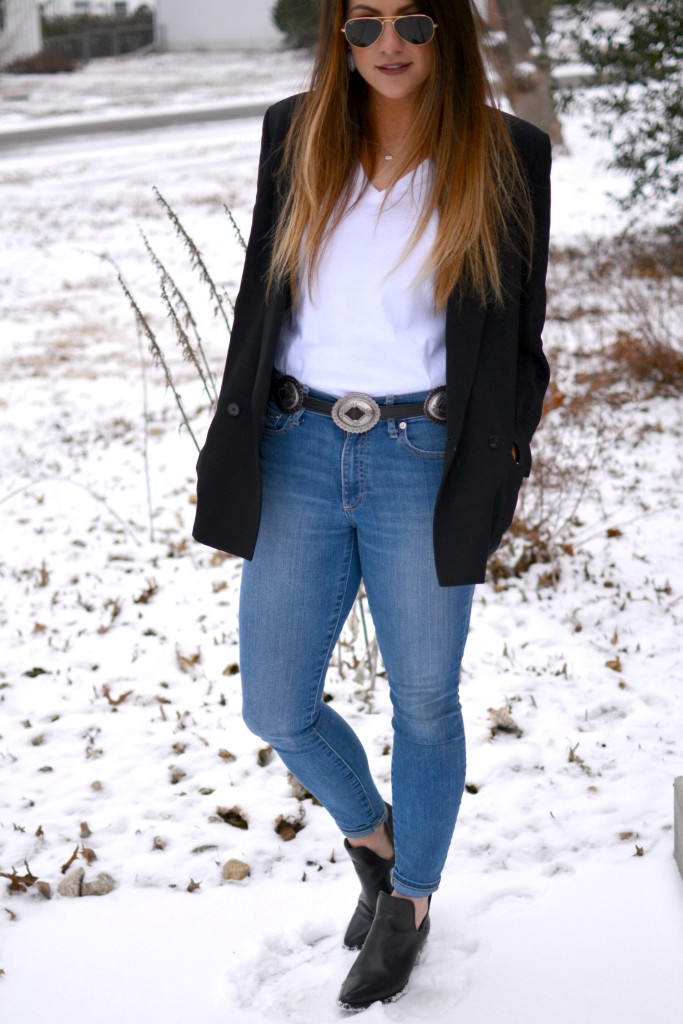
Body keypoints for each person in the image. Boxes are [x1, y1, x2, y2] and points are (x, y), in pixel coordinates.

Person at [193, 0, 551, 1011]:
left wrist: (498, 458)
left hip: (421, 453)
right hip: (298, 443)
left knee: (424, 699)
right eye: (361, 24)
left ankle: (411, 903)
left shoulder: (505, 153)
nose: (385, 43)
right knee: (275, 700)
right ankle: (376, 837)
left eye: (410, 21)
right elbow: (260, 297)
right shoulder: (294, 133)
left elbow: (518, 335)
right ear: (336, 38)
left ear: (447, 33)